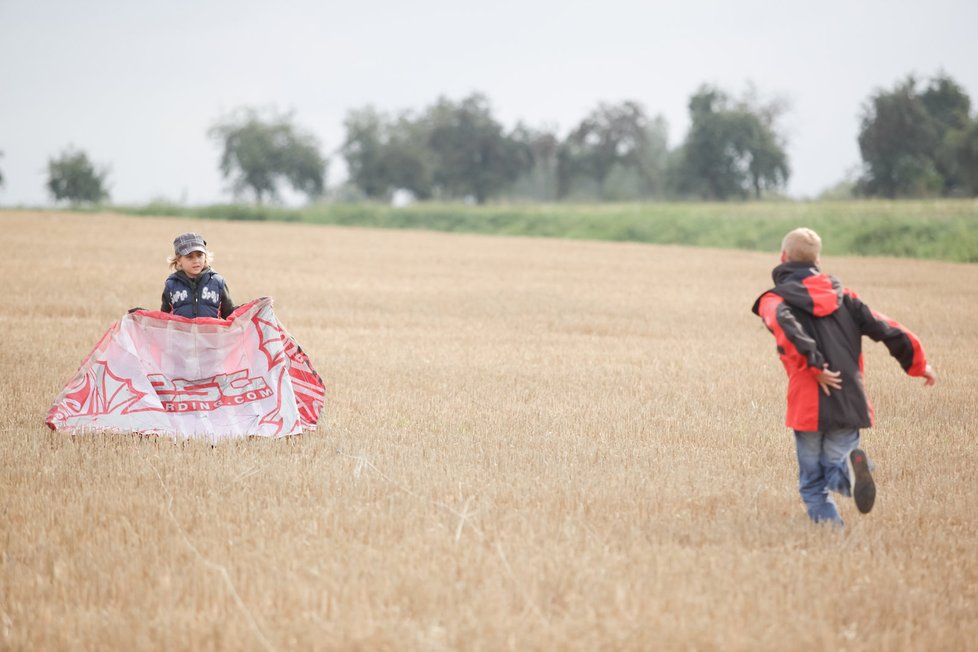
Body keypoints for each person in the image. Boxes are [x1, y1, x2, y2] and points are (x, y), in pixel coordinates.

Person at [751, 227, 936, 527]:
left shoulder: (774, 300)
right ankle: (851, 472)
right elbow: (886, 327)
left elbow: (785, 326)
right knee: (837, 467)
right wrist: (918, 364)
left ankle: (832, 533)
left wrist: (814, 365)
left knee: (813, 484)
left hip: (809, 403)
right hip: (848, 399)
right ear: (818, 260)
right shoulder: (845, 297)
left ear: (783, 257)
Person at [161, 232, 235, 319]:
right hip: (181, 333)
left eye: (199, 255)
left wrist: (249, 310)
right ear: (178, 260)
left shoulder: (218, 283)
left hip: (211, 332)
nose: (196, 260)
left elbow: (231, 315)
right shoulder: (171, 285)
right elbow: (164, 319)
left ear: (205, 256)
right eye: (189, 257)